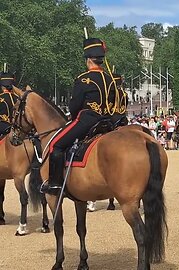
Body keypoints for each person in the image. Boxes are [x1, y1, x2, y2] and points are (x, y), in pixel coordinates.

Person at [42, 37, 117, 194]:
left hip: (87, 120)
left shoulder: (83, 79)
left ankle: (55, 184)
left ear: (88, 59)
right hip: (108, 122)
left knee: (55, 145)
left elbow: (75, 105)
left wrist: (74, 117)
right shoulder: (111, 79)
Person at [0, 72, 19, 136]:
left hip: (3, 129)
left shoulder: (1, 98)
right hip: (19, 129)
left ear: (2, 86)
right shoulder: (18, 98)